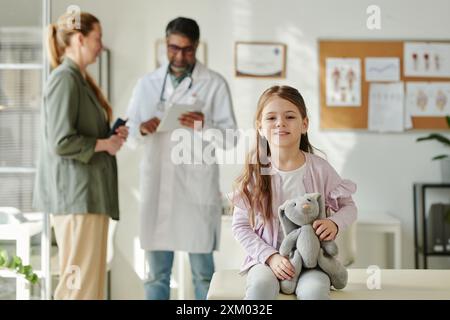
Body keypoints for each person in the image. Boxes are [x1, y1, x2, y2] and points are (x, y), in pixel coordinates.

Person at [126, 17, 237, 300]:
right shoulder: (147, 84)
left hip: (195, 189)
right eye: (173, 48)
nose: (179, 56)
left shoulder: (214, 84)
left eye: (187, 50)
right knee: (156, 275)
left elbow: (232, 139)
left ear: (197, 46)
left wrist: (205, 124)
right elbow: (128, 136)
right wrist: (141, 128)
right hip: (157, 187)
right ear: (166, 44)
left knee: (203, 275)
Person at [33, 11, 128, 300]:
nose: (101, 45)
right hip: (77, 198)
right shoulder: (65, 80)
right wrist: (105, 144)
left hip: (88, 197)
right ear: (79, 39)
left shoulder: (79, 80)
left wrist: (109, 139)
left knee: (89, 286)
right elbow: (61, 142)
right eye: (97, 38)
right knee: (78, 288)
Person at [230, 85, 357, 300]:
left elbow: (349, 207)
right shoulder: (255, 173)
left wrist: (334, 223)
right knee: (260, 288)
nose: (280, 123)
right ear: (260, 127)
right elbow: (240, 226)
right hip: (266, 261)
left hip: (311, 263)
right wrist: (270, 257)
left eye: (290, 116)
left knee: (315, 292)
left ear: (304, 124)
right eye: (271, 118)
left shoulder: (320, 168)